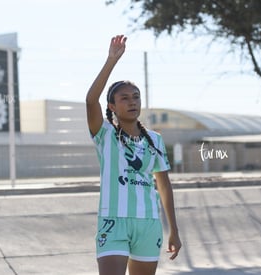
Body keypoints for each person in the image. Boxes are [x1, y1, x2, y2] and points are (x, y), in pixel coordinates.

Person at [86, 34, 182, 275]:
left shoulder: (155, 139)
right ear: (112, 106)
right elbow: (90, 100)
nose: (132, 102)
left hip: (148, 224)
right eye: (124, 98)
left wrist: (174, 230)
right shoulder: (104, 134)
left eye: (136, 97)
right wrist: (111, 60)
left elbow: (164, 187)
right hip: (113, 222)